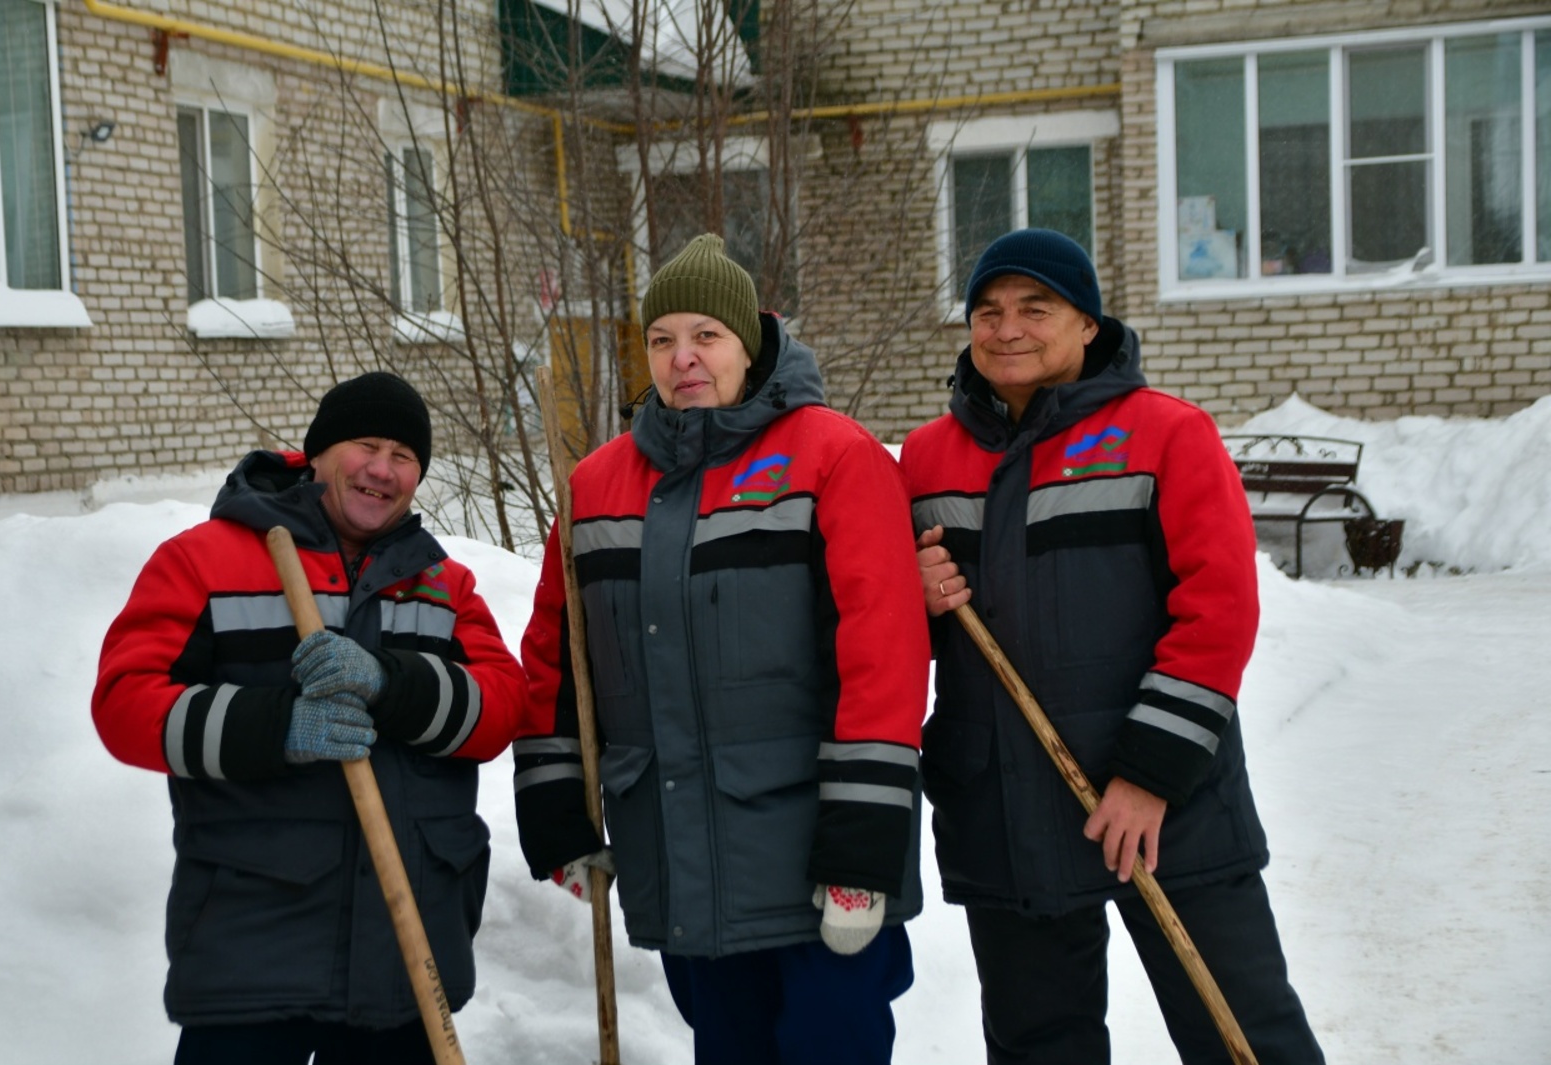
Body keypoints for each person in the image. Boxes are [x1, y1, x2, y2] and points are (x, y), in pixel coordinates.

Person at [898, 229, 1323, 1064]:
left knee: (1242, 1030)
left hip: (1167, 808)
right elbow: (893, 625)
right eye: (988, 310)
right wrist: (919, 598)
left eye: (1035, 308)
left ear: (1087, 322)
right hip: (1006, 806)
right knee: (1038, 1045)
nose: (1007, 328)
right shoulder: (927, 456)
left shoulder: (1166, 434)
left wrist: (1149, 775)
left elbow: (1217, 612)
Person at [512, 234, 929, 1065]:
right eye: (663, 339)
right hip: (677, 854)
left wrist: (864, 848)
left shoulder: (833, 458)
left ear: (751, 342)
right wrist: (559, 810)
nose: (684, 358)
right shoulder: (594, 486)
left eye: (706, 335)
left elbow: (881, 651)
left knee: (831, 1047)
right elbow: (560, 658)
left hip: (815, 859)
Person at [93, 371, 530, 1064]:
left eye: (404, 456)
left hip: (404, 962)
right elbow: (124, 703)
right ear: (320, 451)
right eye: (366, 445)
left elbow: (503, 706)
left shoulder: (442, 585)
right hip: (255, 954)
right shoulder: (205, 561)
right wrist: (281, 726)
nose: (383, 470)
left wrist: (394, 683)